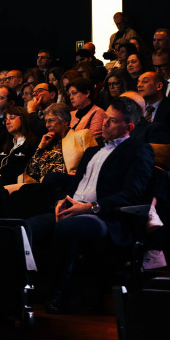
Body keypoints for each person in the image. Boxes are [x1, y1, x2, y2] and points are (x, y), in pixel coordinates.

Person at [24, 97, 154, 313]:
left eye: (112, 121)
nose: (105, 123)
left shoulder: (138, 150)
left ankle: (58, 294)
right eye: (105, 119)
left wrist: (90, 207)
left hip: (106, 216)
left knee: (67, 228)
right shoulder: (92, 151)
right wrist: (61, 201)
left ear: (128, 126)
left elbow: (133, 194)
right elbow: (75, 186)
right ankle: (33, 289)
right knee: (27, 227)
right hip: (74, 208)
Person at [23, 103, 97, 183]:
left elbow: (94, 164)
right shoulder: (48, 142)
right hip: (43, 185)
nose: (47, 125)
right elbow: (31, 172)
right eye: (46, 121)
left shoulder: (81, 135)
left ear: (65, 121)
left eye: (50, 120)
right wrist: (40, 147)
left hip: (66, 183)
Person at [67, 77, 106, 142]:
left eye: (74, 93)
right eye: (69, 95)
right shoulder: (71, 114)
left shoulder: (98, 112)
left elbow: (93, 140)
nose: (71, 97)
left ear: (87, 93)